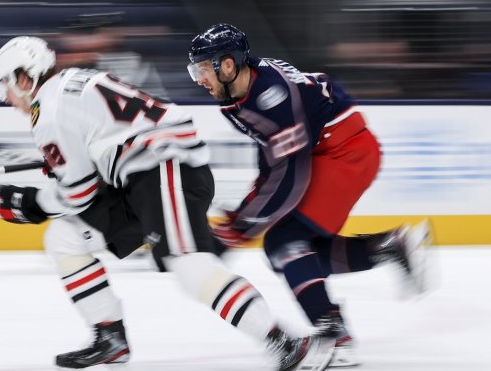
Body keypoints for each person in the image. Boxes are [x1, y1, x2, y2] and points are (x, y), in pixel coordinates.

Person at [0, 36, 334, 370]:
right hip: (145, 175)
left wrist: (28, 203)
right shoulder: (72, 83)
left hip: (163, 168)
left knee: (189, 265)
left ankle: (286, 344)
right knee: (64, 237)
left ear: (24, 76)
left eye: (5, 85)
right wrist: (53, 181)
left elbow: (79, 193)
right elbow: (94, 157)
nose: (5, 97)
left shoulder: (47, 110)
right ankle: (110, 337)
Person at [186, 23, 433, 367]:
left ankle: (336, 336)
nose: (198, 78)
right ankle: (386, 248)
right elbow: (273, 158)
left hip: (345, 151)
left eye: (202, 68)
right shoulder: (239, 93)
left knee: (286, 242)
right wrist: (246, 217)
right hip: (330, 149)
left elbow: (288, 176)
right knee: (288, 251)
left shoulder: (271, 97)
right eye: (193, 69)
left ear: (227, 65)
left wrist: (240, 228)